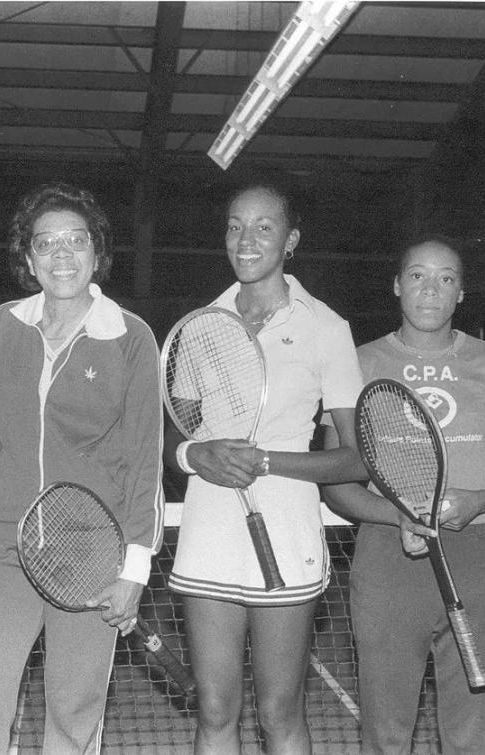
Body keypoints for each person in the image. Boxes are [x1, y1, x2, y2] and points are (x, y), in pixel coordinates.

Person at [0, 182, 165, 753]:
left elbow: (146, 461)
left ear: (97, 253)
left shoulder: (132, 338)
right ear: (28, 258)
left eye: (76, 241)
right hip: (4, 546)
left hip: (93, 551)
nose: (62, 256)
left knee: (73, 714)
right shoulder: (2, 326)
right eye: (46, 244)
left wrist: (134, 569)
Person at [165, 178, 367, 755]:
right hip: (209, 530)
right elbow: (177, 438)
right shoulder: (201, 323)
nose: (246, 240)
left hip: (287, 530)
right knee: (215, 710)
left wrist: (268, 460)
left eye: (264, 226)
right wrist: (194, 455)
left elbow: (354, 459)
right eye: (235, 225)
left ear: (291, 239)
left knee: (280, 713)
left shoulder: (326, 328)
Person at [321, 236, 485, 754]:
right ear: (398, 285)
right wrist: (393, 516)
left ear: (461, 292)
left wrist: (480, 501)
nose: (431, 290)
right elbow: (336, 481)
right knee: (386, 733)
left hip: (477, 556)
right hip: (389, 559)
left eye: (446, 278)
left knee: (470, 734)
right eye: (418, 275)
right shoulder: (356, 362)